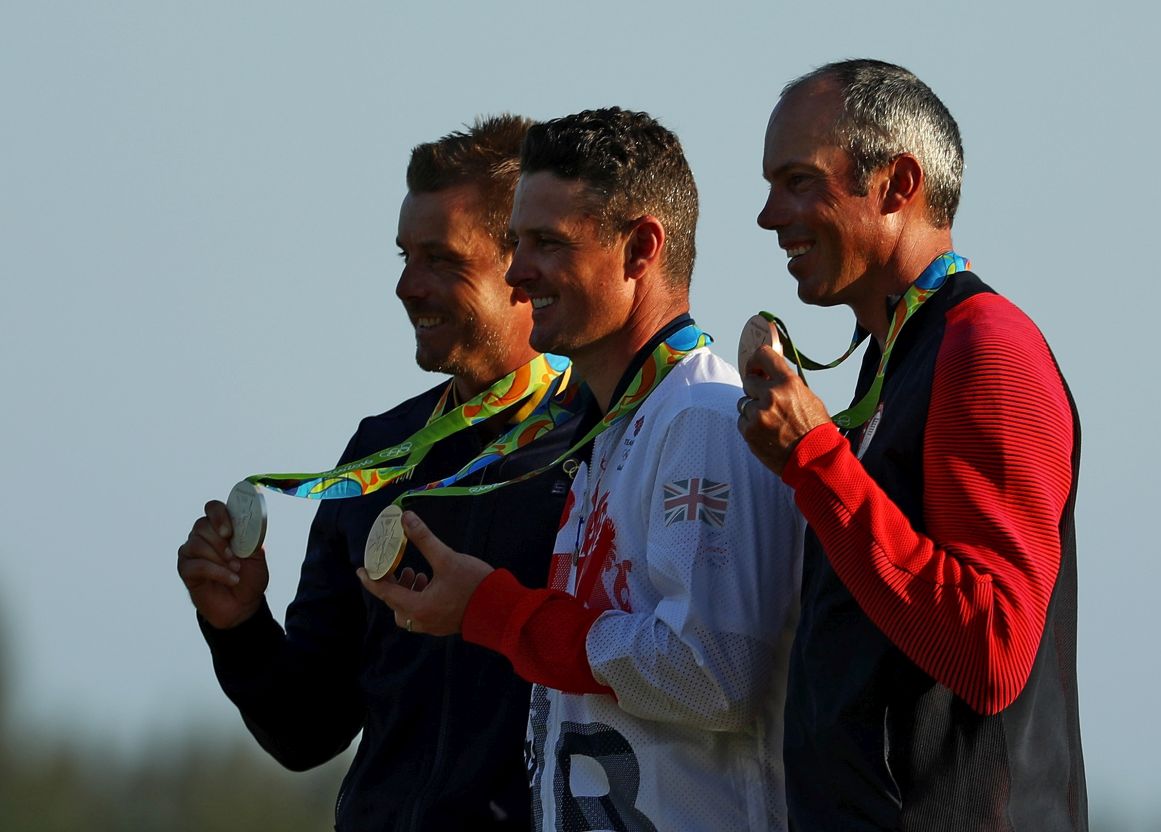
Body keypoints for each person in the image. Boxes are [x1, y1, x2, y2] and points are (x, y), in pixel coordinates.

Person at [361, 108, 804, 831]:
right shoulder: (616, 426)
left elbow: (712, 675)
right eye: (514, 242)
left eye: (545, 243)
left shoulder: (700, 419)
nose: (516, 270)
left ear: (640, 249)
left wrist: (495, 611)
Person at [176, 115, 581, 831]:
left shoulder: (605, 441)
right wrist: (238, 626)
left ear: (522, 266)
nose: (406, 286)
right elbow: (307, 732)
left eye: (441, 259)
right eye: (404, 255)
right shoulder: (383, 451)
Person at [739, 59, 1087, 830]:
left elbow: (991, 652)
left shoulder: (986, 347)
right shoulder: (895, 350)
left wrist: (813, 458)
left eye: (798, 181)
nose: (768, 215)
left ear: (898, 185)